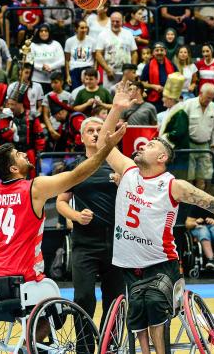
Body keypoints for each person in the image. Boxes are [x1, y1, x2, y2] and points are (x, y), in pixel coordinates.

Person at [96, 81, 214, 353]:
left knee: (153, 302)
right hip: (128, 262)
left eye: (151, 144)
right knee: (136, 315)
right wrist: (117, 108)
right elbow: (102, 142)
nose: (143, 146)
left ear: (162, 157)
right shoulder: (128, 170)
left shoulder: (173, 185)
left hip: (161, 262)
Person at [0, 122, 126, 283]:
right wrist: (107, 148)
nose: (23, 154)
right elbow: (76, 176)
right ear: (14, 169)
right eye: (18, 155)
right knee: (55, 302)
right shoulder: (34, 188)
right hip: (23, 277)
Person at [55, 116, 125, 323]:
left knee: (115, 301)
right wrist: (76, 216)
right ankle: (83, 347)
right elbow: (61, 202)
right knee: (83, 297)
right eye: (90, 130)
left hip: (116, 243)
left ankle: (109, 346)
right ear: (82, 138)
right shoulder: (75, 168)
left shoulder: (119, 165)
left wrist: (125, 184)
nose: (95, 134)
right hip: (85, 244)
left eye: (99, 130)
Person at [185, 184, 214, 272]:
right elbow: (188, 223)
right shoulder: (197, 204)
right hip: (200, 228)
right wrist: (196, 222)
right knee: (203, 231)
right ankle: (210, 260)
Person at [184, 84, 214, 191]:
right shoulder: (188, 104)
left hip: (205, 146)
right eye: (208, 97)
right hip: (190, 145)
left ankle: (200, 206)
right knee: (189, 179)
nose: (209, 100)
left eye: (212, 98)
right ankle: (188, 206)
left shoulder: (213, 107)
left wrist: (213, 145)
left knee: (203, 178)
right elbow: (182, 125)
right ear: (200, 94)